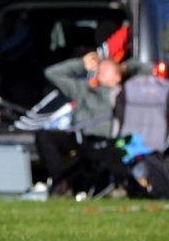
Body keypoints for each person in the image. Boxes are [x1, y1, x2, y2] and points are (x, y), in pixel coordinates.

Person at [33, 51, 133, 196]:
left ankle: (67, 184)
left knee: (93, 153)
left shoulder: (122, 94)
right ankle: (60, 182)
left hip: (102, 142)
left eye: (106, 68)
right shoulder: (83, 89)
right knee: (44, 136)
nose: (100, 69)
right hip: (79, 138)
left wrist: (126, 67)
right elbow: (51, 73)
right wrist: (81, 65)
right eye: (100, 67)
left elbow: (146, 69)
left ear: (117, 77)